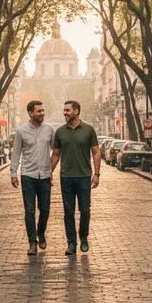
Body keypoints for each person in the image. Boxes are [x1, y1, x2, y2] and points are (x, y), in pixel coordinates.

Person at [51, 100, 100, 256]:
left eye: (68, 110)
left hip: (84, 176)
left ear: (77, 111)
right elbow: (56, 154)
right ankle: (71, 243)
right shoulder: (59, 132)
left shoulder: (88, 130)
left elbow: (96, 152)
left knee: (85, 210)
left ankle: (83, 237)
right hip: (66, 177)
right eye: (64, 110)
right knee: (68, 211)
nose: (65, 113)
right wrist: (48, 173)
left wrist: (96, 174)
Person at [11, 100, 55, 256]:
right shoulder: (21, 131)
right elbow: (16, 153)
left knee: (45, 209)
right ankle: (32, 242)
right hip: (28, 175)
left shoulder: (49, 129)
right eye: (39, 111)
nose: (42, 113)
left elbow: (56, 152)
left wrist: (52, 170)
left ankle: (41, 231)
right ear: (30, 113)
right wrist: (13, 173)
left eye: (43, 111)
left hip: (44, 176)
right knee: (29, 210)